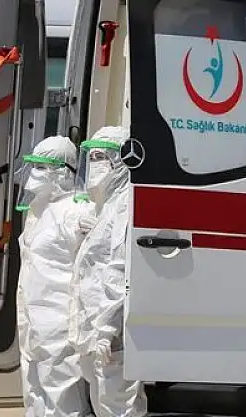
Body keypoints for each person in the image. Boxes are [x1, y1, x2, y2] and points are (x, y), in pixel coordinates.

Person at [15, 135, 97, 417]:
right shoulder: (38, 211)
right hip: (32, 319)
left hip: (59, 320)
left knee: (61, 393)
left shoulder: (76, 211)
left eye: (42, 167)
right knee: (34, 390)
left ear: (63, 172)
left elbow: (92, 267)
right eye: (34, 166)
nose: (34, 174)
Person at [69, 126, 147, 417]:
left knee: (118, 406)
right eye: (91, 157)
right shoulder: (107, 206)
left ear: (121, 160)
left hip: (111, 330)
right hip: (96, 327)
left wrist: (107, 330)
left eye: (101, 157)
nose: (94, 164)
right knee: (104, 403)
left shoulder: (126, 203)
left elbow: (120, 269)